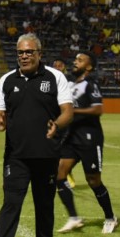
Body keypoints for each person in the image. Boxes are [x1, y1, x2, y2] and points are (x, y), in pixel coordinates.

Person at [0, 33, 74, 237]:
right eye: (20, 52)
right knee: (10, 205)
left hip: (46, 155)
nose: (24, 56)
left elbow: (68, 112)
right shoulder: (6, 80)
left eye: (29, 52)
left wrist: (56, 124)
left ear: (39, 53)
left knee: (45, 208)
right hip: (15, 156)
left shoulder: (55, 77)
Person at [56, 51, 118, 234]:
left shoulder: (90, 84)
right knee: (59, 175)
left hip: (90, 138)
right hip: (72, 137)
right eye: (75, 59)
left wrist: (73, 111)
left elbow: (98, 109)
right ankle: (74, 217)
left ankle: (110, 217)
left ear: (89, 67)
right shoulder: (70, 84)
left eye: (80, 60)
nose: (76, 62)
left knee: (93, 181)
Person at [52, 58, 77, 188]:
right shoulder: (48, 80)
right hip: (52, 117)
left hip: (65, 119)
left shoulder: (70, 82)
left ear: (64, 67)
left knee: (62, 149)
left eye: (60, 65)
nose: (58, 67)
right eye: (55, 65)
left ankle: (67, 173)